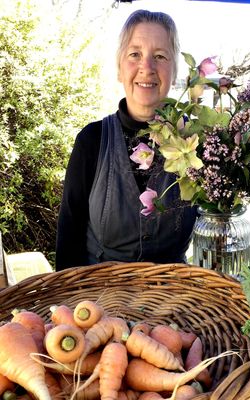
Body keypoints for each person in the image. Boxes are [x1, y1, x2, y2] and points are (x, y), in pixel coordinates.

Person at [55, 9, 197, 271]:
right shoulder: (92, 141)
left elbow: (215, 223)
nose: (147, 68)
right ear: (120, 68)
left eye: (160, 56)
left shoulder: (198, 142)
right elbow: (69, 236)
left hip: (175, 303)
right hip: (99, 303)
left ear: (174, 70)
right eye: (135, 54)